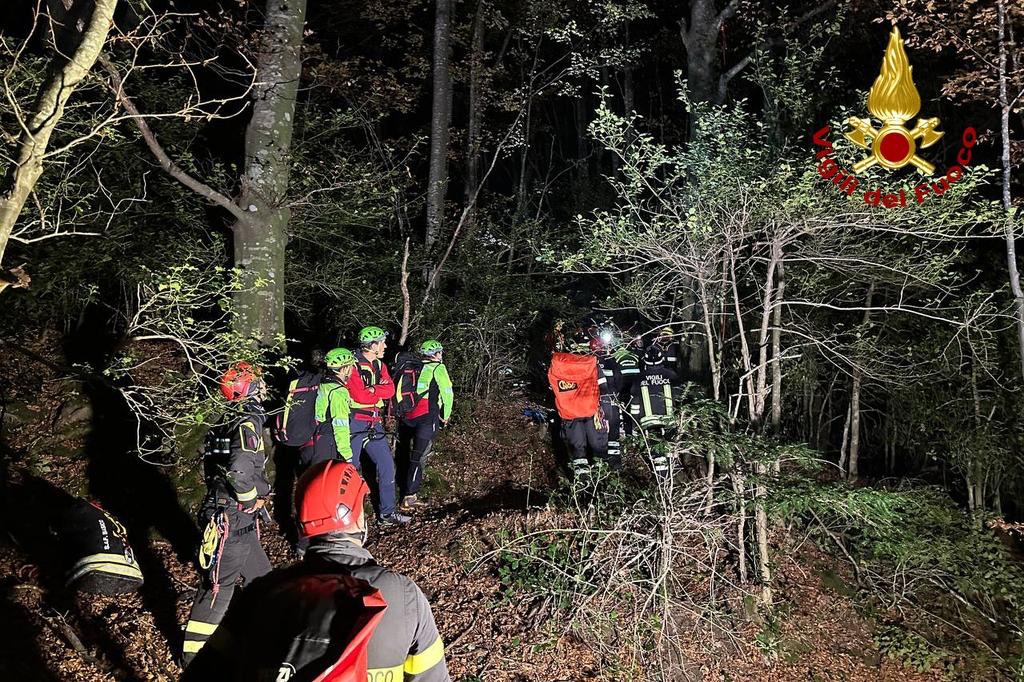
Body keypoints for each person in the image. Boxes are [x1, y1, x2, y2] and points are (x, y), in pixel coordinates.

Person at [182, 460, 451, 681]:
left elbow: (203, 675)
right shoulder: (403, 597)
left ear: (302, 526)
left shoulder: (261, 593)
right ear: (357, 516)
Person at [182, 362, 272, 666]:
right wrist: (249, 501)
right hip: (232, 517)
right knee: (218, 588)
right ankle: (193, 661)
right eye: (259, 382)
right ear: (249, 387)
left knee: (264, 581)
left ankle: (263, 644)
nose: (264, 386)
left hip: (235, 518)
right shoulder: (247, 420)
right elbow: (238, 472)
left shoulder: (226, 419)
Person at [346, 326, 410, 525]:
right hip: (353, 422)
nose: (385, 345)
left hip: (374, 423)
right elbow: (359, 395)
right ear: (372, 345)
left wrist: (373, 389)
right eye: (382, 342)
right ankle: (348, 519)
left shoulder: (379, 365)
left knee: (387, 467)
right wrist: (376, 390)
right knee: (350, 471)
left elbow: (390, 389)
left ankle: (387, 514)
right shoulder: (352, 365)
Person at [395, 339, 454, 511]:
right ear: (436, 354)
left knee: (404, 452)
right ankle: (409, 496)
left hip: (407, 416)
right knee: (419, 456)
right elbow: (447, 393)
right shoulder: (438, 368)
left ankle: (400, 485)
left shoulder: (414, 366)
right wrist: (446, 415)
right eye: (440, 352)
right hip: (427, 418)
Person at [548, 330, 609, 478]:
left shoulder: (558, 365)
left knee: (578, 449)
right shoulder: (593, 364)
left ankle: (582, 485)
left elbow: (551, 388)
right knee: (597, 446)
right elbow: (604, 388)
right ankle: (600, 482)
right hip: (591, 409)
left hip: (569, 412)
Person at [630, 346, 681, 477]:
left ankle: (661, 485)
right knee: (670, 452)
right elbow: (680, 398)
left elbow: (635, 405)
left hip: (649, 424)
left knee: (658, 457)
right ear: (662, 359)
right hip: (670, 422)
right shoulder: (672, 375)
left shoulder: (639, 378)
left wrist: (635, 427)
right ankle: (671, 482)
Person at [592, 331, 624, 471]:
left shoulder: (589, 362)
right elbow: (619, 379)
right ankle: (615, 464)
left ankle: (599, 463)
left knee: (599, 429)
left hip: (597, 402)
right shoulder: (612, 361)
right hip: (612, 399)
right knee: (614, 429)